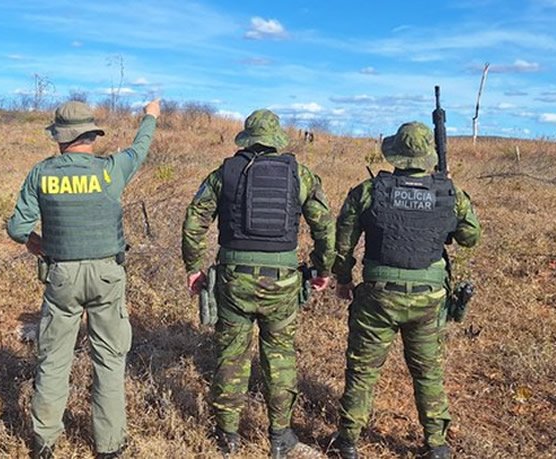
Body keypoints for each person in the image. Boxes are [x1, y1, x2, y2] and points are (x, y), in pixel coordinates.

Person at [6, 99, 161, 459]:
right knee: (108, 359)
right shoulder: (111, 169)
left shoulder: (41, 173)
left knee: (53, 359)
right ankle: (109, 447)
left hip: (61, 275)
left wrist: (38, 245)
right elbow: (140, 149)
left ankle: (44, 442)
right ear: (91, 134)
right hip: (108, 275)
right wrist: (150, 117)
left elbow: (17, 228)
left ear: (59, 138)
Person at [181, 109, 335, 458]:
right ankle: (280, 436)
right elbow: (325, 226)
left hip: (235, 280)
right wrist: (322, 268)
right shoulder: (302, 175)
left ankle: (227, 437)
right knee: (280, 357)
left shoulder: (224, 173)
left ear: (246, 139)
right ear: (276, 140)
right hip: (283, 282)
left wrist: (193, 268)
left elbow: (194, 220)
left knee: (231, 356)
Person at [330, 122, 481, 459]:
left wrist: (343, 279)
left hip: (378, 297)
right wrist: (448, 207)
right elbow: (471, 237)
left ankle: (348, 442)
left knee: (362, 369)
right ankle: (436, 445)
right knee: (428, 371)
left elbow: (343, 244)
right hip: (429, 299)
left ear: (395, 153)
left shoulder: (368, 191)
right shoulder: (449, 194)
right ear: (427, 156)